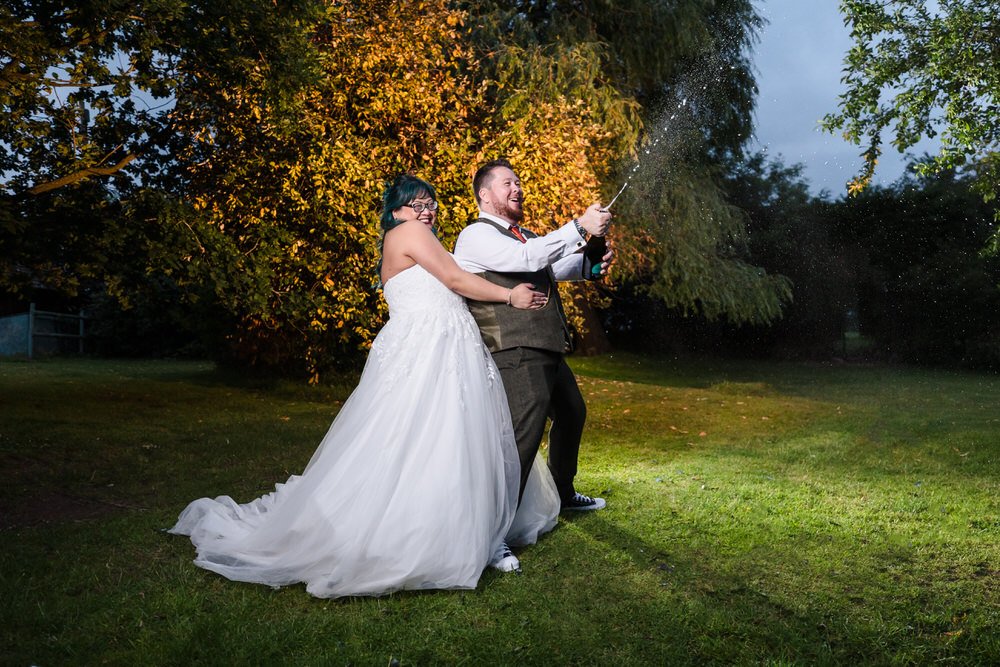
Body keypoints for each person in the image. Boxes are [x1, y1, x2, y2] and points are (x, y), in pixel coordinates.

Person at [169, 174, 560, 598]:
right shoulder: (408, 233)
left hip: (449, 343)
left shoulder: (420, 237)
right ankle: (423, 533)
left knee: (441, 439)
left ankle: (460, 526)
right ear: (396, 212)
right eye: (416, 203)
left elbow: (460, 278)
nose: (426, 210)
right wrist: (509, 298)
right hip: (428, 348)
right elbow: (455, 280)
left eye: (430, 203)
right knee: (423, 437)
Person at [454, 159, 614, 543]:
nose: (517, 188)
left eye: (519, 182)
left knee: (572, 413)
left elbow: (554, 266)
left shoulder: (522, 235)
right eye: (508, 183)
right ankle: (493, 532)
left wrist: (592, 261)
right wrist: (578, 227)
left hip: (545, 346)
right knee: (522, 438)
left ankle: (562, 494)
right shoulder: (475, 236)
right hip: (515, 348)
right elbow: (526, 260)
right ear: (484, 194)